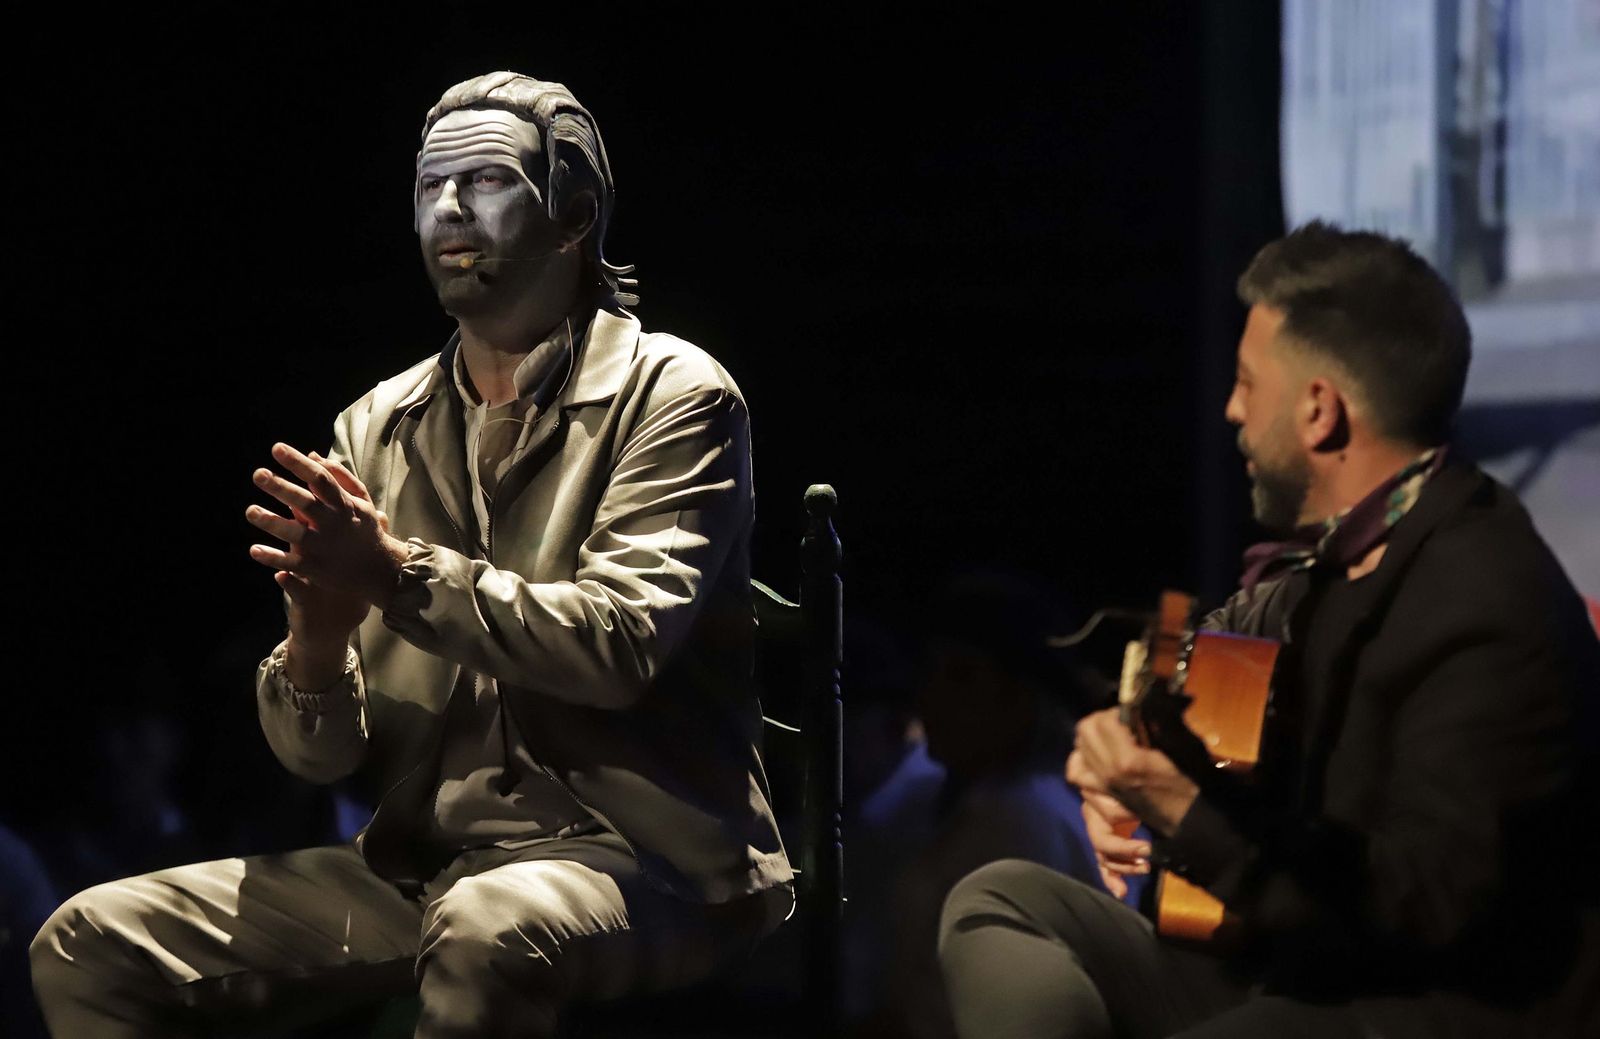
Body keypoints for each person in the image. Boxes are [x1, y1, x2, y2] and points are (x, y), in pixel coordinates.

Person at [31, 71, 792, 1039]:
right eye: (429, 187)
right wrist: (315, 642)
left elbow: (619, 645)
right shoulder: (376, 426)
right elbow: (320, 760)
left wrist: (395, 576)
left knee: (486, 928)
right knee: (90, 938)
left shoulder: (677, 394)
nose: (446, 210)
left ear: (576, 214)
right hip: (428, 868)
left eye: (484, 181)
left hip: (656, 865)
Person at [938, 221, 1600, 1038]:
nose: (1231, 410)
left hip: (1421, 1005)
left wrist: (1186, 812)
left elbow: (1423, 908)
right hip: (1292, 963)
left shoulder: (1488, 601)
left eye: (1250, 384)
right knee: (1002, 898)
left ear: (1320, 409)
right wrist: (1126, 753)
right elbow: (1225, 648)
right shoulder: (1336, 560)